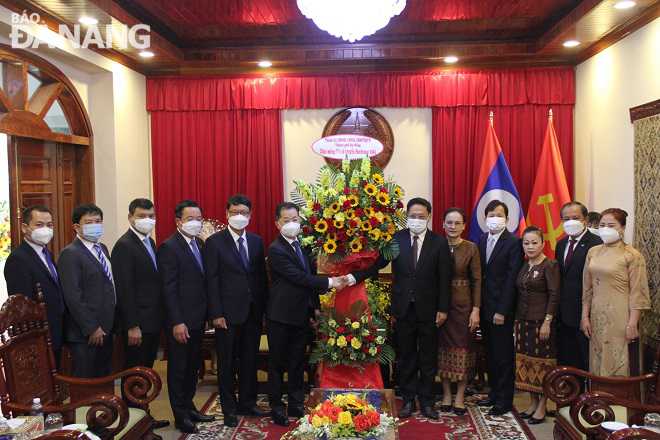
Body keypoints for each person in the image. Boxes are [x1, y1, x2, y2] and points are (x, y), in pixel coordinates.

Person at [348, 197, 452, 420]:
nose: (417, 220)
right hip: (404, 309)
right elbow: (378, 265)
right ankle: (407, 400)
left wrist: (443, 309)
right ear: (407, 216)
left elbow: (445, 279)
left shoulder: (439, 243)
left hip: (430, 310)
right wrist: (353, 276)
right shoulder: (396, 239)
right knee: (406, 357)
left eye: (421, 216)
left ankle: (427, 401)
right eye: (412, 216)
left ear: (429, 217)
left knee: (427, 358)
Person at [266, 202, 347, 427]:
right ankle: (276, 407)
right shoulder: (276, 249)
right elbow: (300, 279)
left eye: (295, 220)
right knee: (276, 364)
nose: (292, 224)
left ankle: (295, 402)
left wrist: (316, 308)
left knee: (296, 362)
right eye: (286, 220)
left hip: (302, 315)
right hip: (280, 316)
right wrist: (331, 282)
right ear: (277, 224)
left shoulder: (303, 247)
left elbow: (309, 282)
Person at [203, 194, 270, 427]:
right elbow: (211, 280)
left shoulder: (256, 241)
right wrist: (215, 313)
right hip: (226, 315)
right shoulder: (214, 242)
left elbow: (261, 277)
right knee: (227, 364)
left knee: (250, 361)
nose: (239, 216)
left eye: (243, 212)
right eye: (234, 212)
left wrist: (263, 309)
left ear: (250, 215)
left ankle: (248, 403)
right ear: (227, 214)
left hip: (252, 312)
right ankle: (229, 408)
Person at [111, 198, 169, 433]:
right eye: (142, 215)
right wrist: (132, 325)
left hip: (153, 320)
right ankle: (131, 421)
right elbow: (125, 289)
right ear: (130, 217)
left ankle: (143, 417)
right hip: (138, 324)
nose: (148, 220)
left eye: (151, 215)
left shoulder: (149, 242)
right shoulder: (124, 245)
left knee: (146, 370)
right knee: (135, 372)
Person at [158, 200, 215, 433]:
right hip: (181, 321)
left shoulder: (200, 243)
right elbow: (168, 289)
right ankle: (180, 415)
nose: (196, 223)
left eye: (198, 218)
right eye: (190, 219)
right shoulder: (169, 247)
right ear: (178, 221)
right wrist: (176, 321)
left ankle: (189, 406)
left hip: (198, 319)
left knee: (192, 366)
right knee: (179, 368)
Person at [581, 208, 650, 377]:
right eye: (602, 225)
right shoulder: (593, 252)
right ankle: (599, 399)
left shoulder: (632, 255)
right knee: (598, 358)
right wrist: (585, 317)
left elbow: (638, 292)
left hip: (620, 316)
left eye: (611, 225)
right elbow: (587, 287)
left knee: (619, 358)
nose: (606, 229)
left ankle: (619, 400)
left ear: (622, 228)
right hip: (596, 315)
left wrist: (632, 325)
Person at [476, 199, 524, 416]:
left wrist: (502, 311)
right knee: (490, 354)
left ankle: (504, 401)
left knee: (503, 356)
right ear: (485, 219)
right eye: (491, 215)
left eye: (499, 215)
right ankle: (494, 393)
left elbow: (511, 278)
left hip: (500, 310)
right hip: (484, 307)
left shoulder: (514, 242)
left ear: (507, 218)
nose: (495, 218)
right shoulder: (481, 238)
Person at [58, 204, 115, 378]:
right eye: (89, 222)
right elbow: (73, 296)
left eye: (98, 221)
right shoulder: (70, 253)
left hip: (106, 327)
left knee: (102, 378)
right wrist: (91, 327)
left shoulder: (102, 248)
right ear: (77, 227)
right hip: (86, 333)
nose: (95, 225)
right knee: (85, 381)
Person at [4, 205, 65, 366]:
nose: (45, 229)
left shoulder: (46, 253)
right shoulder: (18, 259)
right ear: (25, 227)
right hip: (36, 338)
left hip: (54, 332)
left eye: (49, 225)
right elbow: (22, 307)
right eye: (39, 225)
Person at [515, 226, 560, 425]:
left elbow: (554, 295)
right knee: (526, 364)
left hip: (541, 323)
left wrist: (547, 321)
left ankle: (543, 405)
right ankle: (532, 403)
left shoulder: (550, 265)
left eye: (534, 242)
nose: (530, 246)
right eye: (526, 243)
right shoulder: (524, 264)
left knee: (543, 365)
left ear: (542, 243)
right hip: (523, 322)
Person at [437, 207, 481, 416]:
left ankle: (461, 396)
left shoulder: (471, 248)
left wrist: (476, 310)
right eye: (449, 222)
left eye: (457, 223)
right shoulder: (436, 245)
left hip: (464, 307)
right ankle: (446, 394)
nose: (452, 227)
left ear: (464, 226)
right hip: (440, 306)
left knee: (463, 350)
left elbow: (477, 281)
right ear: (443, 224)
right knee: (443, 350)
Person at [555, 202, 602, 375]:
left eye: (575, 218)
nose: (571, 222)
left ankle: (587, 399)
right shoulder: (560, 245)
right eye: (566, 219)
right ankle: (570, 398)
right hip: (564, 314)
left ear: (586, 219)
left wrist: (586, 314)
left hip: (585, 314)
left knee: (585, 362)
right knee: (568, 361)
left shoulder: (596, 244)